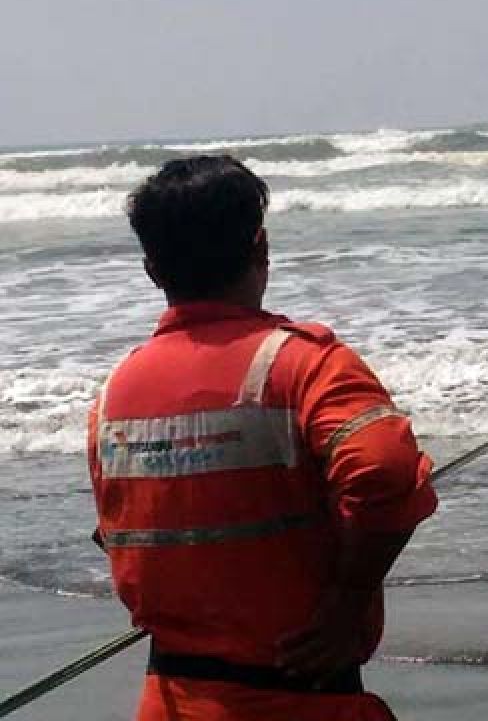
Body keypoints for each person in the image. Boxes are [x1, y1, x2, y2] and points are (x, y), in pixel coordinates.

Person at [87, 156, 438, 721]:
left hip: (172, 701)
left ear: (152, 269)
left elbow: (120, 530)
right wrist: (349, 600)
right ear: (261, 248)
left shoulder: (114, 394)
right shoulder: (304, 364)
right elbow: (384, 472)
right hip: (300, 699)